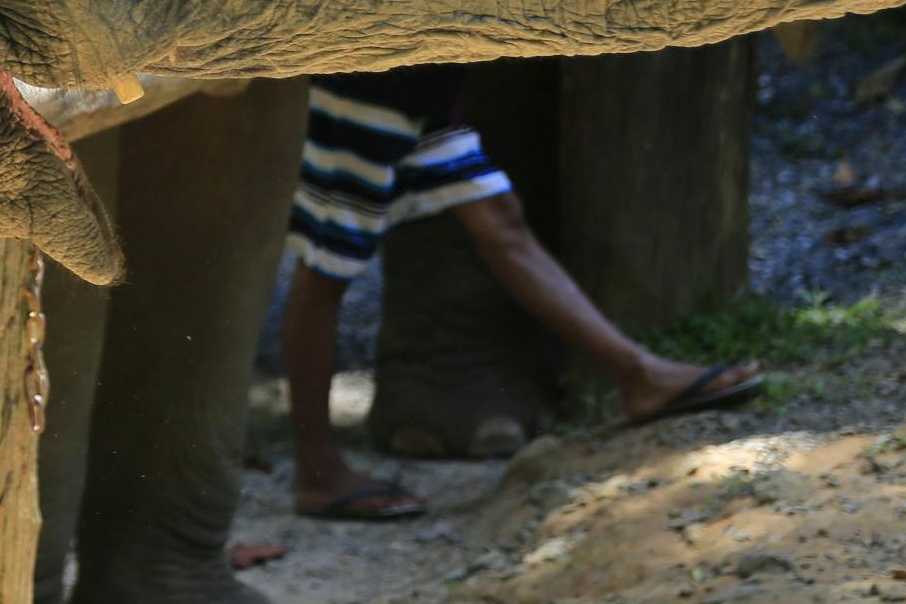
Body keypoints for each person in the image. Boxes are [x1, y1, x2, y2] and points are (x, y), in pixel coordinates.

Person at [282, 65, 762, 520]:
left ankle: (640, 376)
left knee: (500, 219)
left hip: (422, 92)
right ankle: (318, 473)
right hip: (375, 87)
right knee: (327, 265)